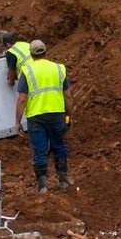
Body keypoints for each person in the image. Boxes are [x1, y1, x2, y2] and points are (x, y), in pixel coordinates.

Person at [14, 38, 71, 191]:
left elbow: (22, 98)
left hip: (36, 116)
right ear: (46, 52)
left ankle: (42, 185)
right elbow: (68, 95)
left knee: (39, 149)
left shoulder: (27, 71)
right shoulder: (59, 69)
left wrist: (17, 121)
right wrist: (68, 114)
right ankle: (63, 179)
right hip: (57, 114)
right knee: (59, 145)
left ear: (31, 55)